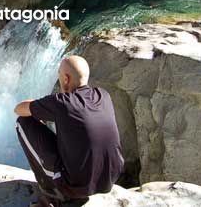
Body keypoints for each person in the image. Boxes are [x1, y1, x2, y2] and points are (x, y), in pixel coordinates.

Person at [14, 55, 124, 207]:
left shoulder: (62, 102)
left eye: (59, 74)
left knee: (23, 122)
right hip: (109, 179)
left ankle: (53, 196)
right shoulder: (103, 95)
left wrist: (38, 106)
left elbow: (19, 110)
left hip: (76, 186)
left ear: (66, 78)